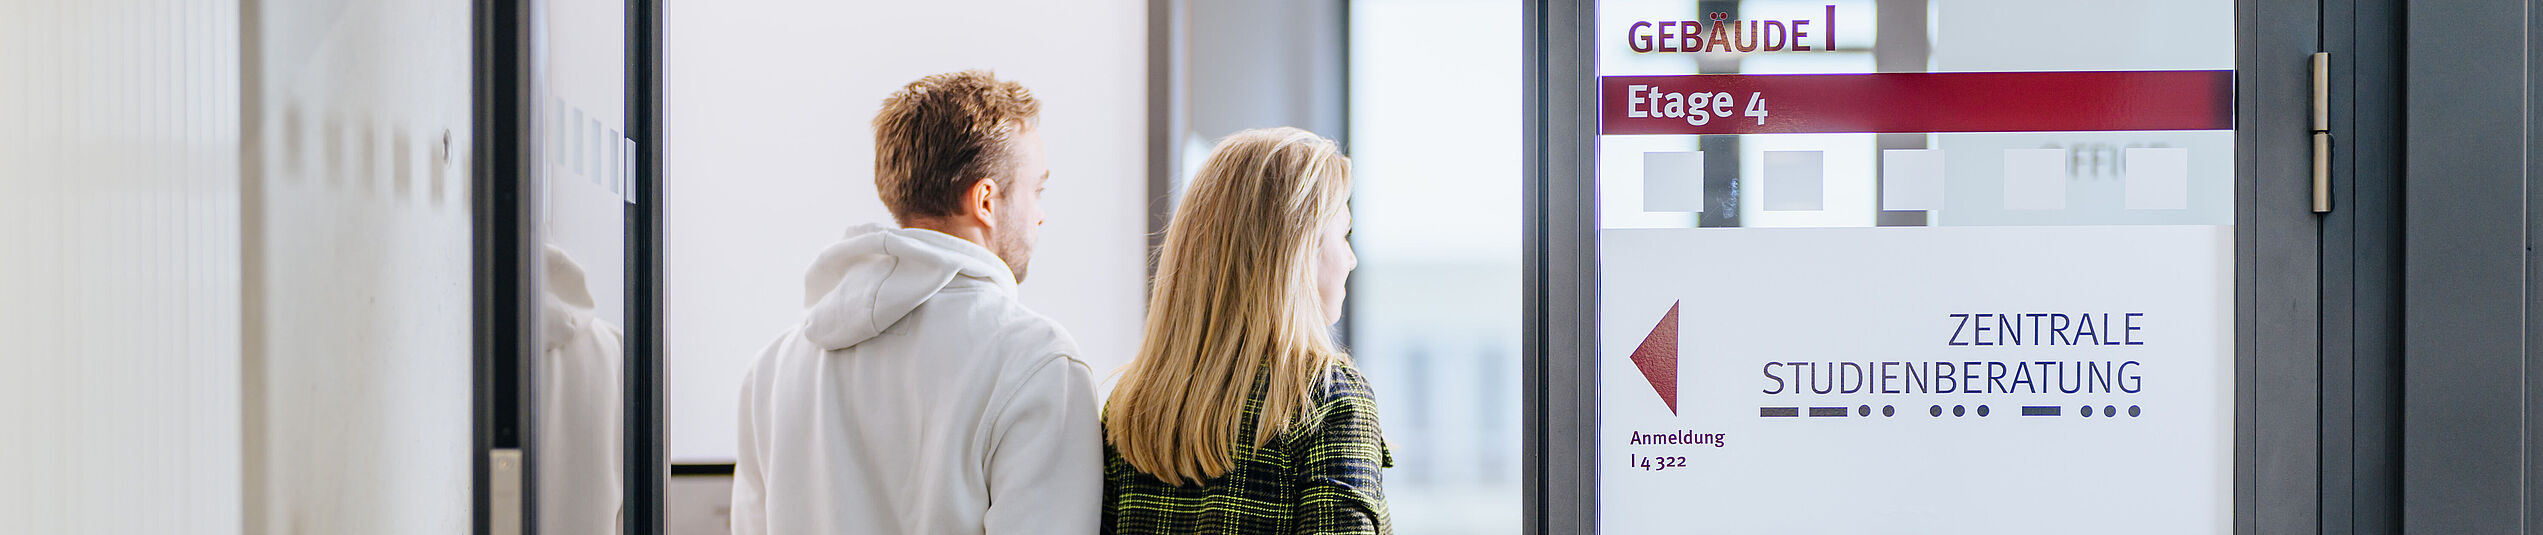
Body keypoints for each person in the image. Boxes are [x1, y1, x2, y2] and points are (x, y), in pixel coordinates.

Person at [731, 70, 1100, 535]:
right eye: (1037, 190)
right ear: (986, 201)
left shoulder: (773, 370)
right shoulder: (1040, 362)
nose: (1040, 215)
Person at [1102, 127, 1389, 534]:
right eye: (1343, 234)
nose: (1351, 259)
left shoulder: (1129, 406)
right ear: (1298, 249)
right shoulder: (1327, 399)